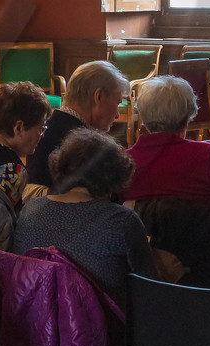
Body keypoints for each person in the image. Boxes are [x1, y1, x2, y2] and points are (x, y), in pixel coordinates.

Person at [124, 75, 210, 283]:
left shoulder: (125, 162)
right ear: (188, 115)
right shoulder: (205, 155)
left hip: (149, 273)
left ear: (142, 114)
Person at [10, 128, 156, 307]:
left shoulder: (31, 209)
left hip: (34, 324)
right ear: (114, 176)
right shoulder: (123, 221)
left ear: (62, 168)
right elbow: (149, 286)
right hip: (102, 330)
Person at [27, 61, 130, 188]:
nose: (117, 115)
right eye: (117, 103)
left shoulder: (46, 127)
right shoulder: (87, 146)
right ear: (99, 97)